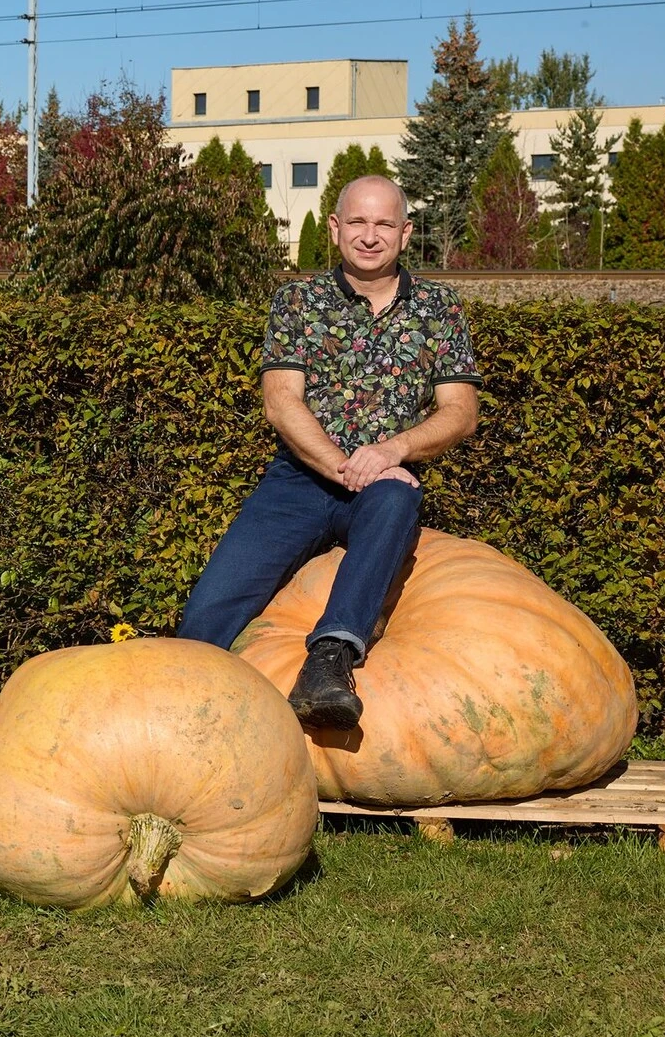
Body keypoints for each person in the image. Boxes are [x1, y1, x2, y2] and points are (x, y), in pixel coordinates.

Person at [176, 175, 480, 730]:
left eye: (384, 223)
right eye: (358, 222)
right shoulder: (298, 302)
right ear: (336, 229)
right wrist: (346, 467)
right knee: (207, 613)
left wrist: (393, 450)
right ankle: (178, 710)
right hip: (300, 481)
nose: (370, 235)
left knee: (395, 497)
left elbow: (460, 411)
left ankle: (330, 660)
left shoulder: (439, 307)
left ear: (406, 233)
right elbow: (281, 403)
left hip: (387, 481)